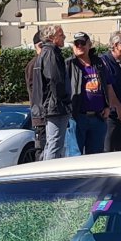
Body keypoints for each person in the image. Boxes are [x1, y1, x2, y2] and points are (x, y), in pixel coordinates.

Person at [68, 32, 115, 155]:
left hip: (98, 117)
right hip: (77, 117)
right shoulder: (69, 64)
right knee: (75, 155)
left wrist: (108, 106)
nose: (79, 46)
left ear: (89, 45)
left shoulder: (99, 63)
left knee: (95, 156)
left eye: (82, 43)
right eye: (76, 43)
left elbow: (108, 86)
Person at [38, 25, 72, 160]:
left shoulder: (47, 52)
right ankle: (48, 173)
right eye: (61, 35)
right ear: (52, 37)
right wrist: (64, 100)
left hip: (53, 105)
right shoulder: (51, 53)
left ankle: (45, 171)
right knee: (55, 143)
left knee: (52, 143)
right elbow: (55, 79)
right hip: (56, 106)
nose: (64, 37)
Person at [98, 30, 121, 152]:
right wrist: (118, 108)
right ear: (115, 46)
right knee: (108, 149)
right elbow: (108, 87)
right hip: (112, 115)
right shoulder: (104, 62)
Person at [25, 29, 47, 159]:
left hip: (43, 113)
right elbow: (35, 91)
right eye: (42, 45)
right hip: (41, 115)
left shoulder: (42, 62)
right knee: (42, 149)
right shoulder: (35, 64)